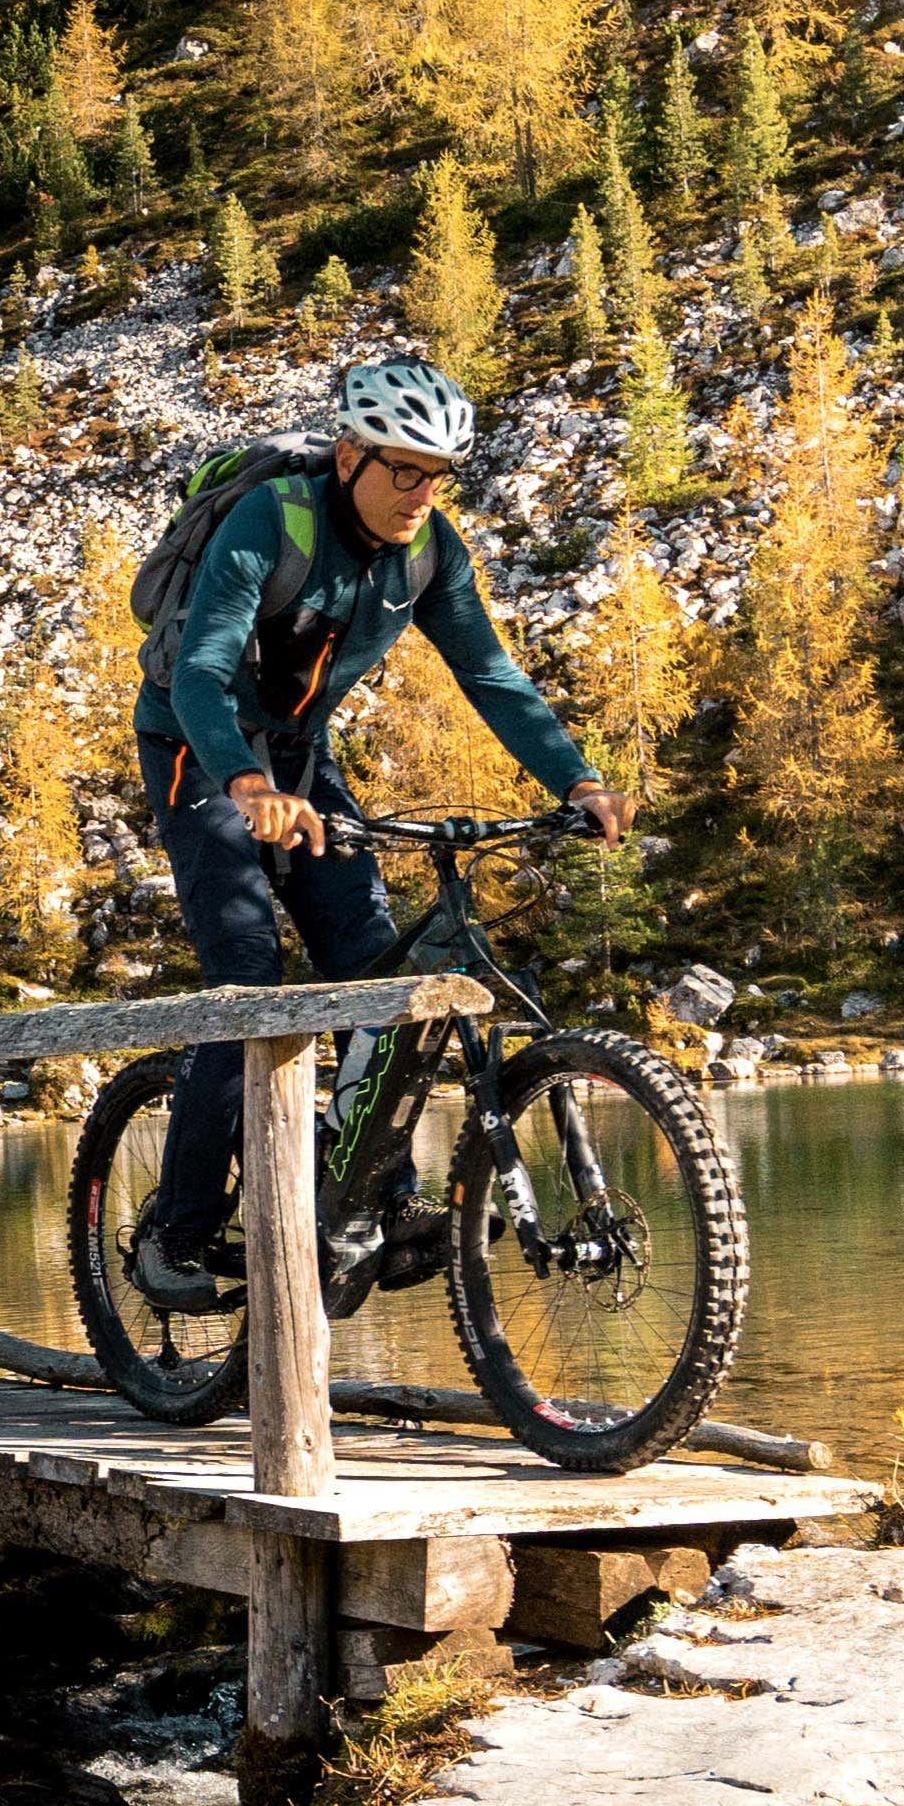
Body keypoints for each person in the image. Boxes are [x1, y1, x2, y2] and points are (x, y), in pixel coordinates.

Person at [123, 354, 627, 1311]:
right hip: (199, 750)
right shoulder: (271, 520)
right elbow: (199, 668)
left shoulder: (429, 550)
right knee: (246, 981)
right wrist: (243, 779)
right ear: (349, 453)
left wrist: (578, 777)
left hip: (304, 760)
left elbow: (491, 674)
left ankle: (376, 1203)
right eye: (402, 468)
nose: (419, 492)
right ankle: (175, 1234)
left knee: (380, 975)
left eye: (437, 474)